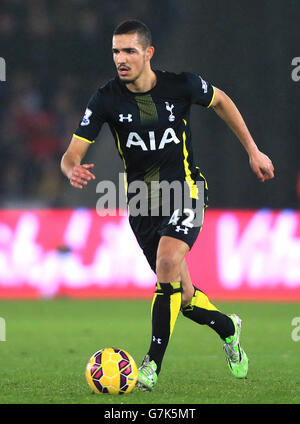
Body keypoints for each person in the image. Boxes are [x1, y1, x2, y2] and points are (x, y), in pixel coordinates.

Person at [60, 19, 274, 391]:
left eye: (129, 51)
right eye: (115, 51)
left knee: (167, 261)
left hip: (186, 190)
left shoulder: (181, 84)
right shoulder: (106, 98)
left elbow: (221, 101)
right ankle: (228, 328)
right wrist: (71, 169)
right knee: (183, 296)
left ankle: (150, 366)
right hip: (143, 204)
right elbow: (71, 154)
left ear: (148, 53)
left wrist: (253, 150)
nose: (121, 59)